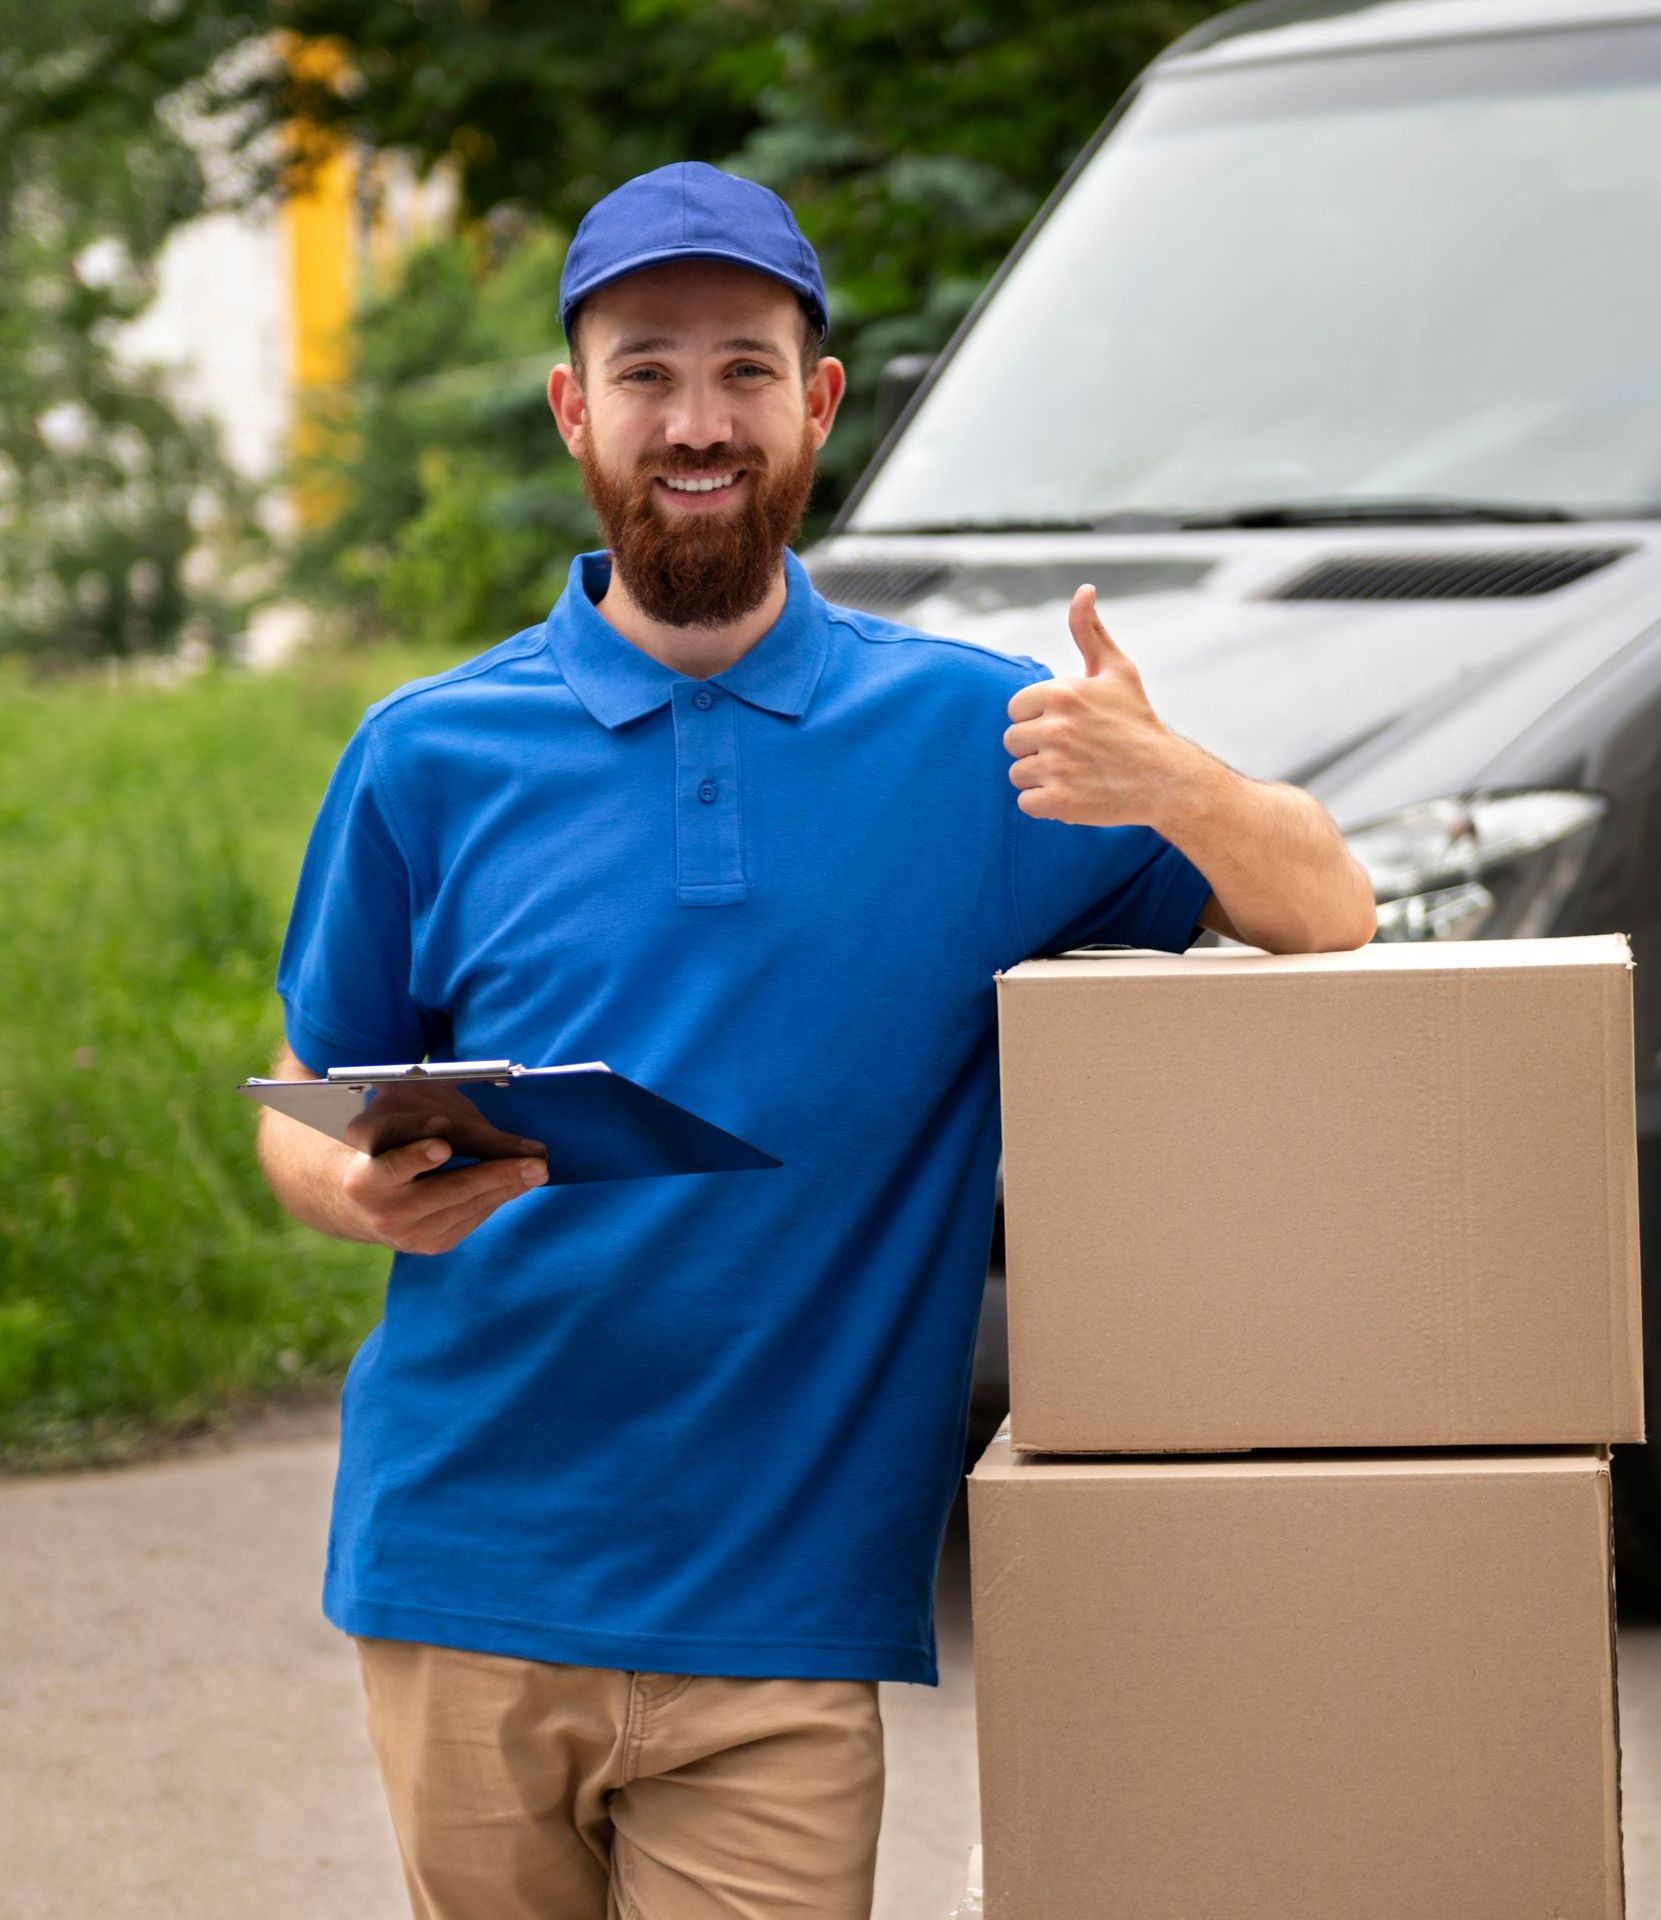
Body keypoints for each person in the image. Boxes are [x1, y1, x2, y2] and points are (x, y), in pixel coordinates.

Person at [255, 160, 1378, 1920]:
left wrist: (1176, 782)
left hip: (785, 1623)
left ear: (817, 405)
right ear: (575, 411)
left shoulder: (979, 739)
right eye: (646, 373)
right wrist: (359, 1190)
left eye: (743, 371)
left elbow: (1330, 910)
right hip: (465, 1574)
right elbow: (303, 1107)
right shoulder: (426, 753)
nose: (695, 421)